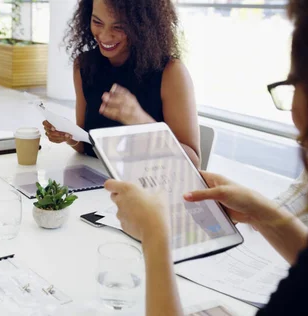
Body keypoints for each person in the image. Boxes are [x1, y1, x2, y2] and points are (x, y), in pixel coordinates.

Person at [103, 0, 308, 314]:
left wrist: (155, 236)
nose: (294, 114)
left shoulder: (171, 71)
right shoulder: (88, 65)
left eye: (295, 85)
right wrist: (259, 211)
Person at [44, 0, 200, 167]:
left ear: (143, 25)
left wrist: (140, 121)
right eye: (97, 22)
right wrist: (70, 136)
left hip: (148, 187)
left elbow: (193, 162)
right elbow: (86, 146)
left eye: (118, 27)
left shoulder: (171, 73)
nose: (104, 36)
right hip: (101, 185)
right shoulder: (84, 66)